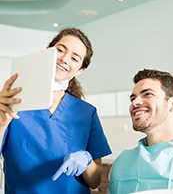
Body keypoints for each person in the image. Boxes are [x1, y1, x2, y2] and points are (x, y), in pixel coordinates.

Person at [0, 27, 111, 193]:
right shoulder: (13, 102)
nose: (65, 59)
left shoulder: (87, 112)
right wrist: (1, 121)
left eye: (75, 58)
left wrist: (87, 161)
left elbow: (95, 181)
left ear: (80, 70)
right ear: (47, 52)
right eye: (60, 50)